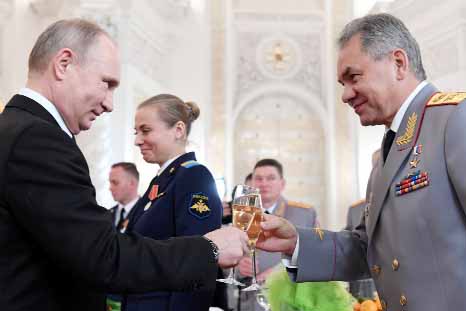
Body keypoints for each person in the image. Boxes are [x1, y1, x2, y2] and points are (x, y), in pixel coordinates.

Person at [0, 18, 249, 311]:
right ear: (64, 64)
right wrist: (210, 248)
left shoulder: (17, 129)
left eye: (146, 130)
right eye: (106, 83)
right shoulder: (37, 138)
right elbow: (102, 255)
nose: (109, 104)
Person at [257, 13, 466, 311]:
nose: (345, 95)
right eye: (343, 83)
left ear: (398, 63)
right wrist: (296, 243)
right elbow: (368, 247)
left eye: (354, 77)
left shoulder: (455, 118)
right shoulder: (387, 154)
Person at [109, 94, 223, 311]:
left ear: (178, 130)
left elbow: (197, 263)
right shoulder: (163, 180)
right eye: (136, 132)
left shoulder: (194, 177)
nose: (137, 140)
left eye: (146, 130)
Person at [238, 159, 317, 311]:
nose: (264, 183)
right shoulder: (241, 214)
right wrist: (238, 267)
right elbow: (225, 263)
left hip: (289, 302)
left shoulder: (304, 214)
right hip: (250, 303)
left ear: (282, 184)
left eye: (271, 178)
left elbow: (315, 257)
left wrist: (280, 272)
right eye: (258, 178)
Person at [109, 162, 140, 232]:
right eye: (110, 182)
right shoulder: (108, 215)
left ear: (132, 183)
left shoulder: (146, 213)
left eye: (115, 183)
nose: (110, 188)